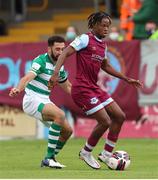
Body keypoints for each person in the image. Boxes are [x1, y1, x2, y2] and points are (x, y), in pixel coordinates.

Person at [48, 12, 142, 170]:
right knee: (105, 121)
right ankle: (86, 152)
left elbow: (105, 66)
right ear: (94, 25)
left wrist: (126, 78)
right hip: (82, 88)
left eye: (108, 26)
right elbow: (65, 52)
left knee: (119, 116)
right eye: (103, 25)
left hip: (94, 87)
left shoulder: (103, 45)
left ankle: (106, 154)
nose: (106, 29)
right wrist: (56, 73)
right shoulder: (85, 38)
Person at [9, 36, 72, 169]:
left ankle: (48, 159)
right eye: (57, 49)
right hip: (32, 99)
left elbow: (67, 87)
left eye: (63, 49)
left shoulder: (60, 66)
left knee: (67, 131)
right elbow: (27, 77)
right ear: (49, 48)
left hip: (44, 100)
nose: (61, 52)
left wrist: (85, 98)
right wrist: (18, 89)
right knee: (60, 115)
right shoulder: (41, 60)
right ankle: (49, 158)